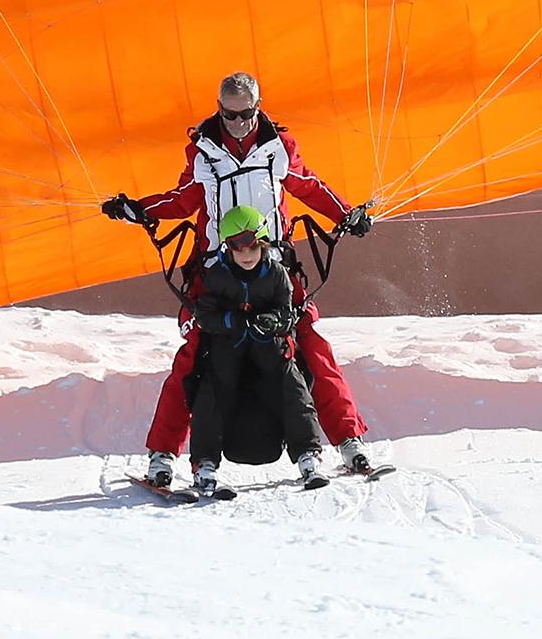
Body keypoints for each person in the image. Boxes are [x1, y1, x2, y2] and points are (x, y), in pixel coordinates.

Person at [101, 71, 377, 487]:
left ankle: (349, 442)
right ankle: (163, 456)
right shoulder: (202, 152)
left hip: (274, 269)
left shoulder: (279, 148)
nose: (236, 124)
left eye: (244, 115)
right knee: (194, 356)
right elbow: (185, 198)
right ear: (219, 110)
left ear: (257, 109)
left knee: (310, 345)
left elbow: (307, 185)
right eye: (228, 115)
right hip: (216, 271)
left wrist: (346, 214)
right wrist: (140, 209)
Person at [190, 205, 327, 494]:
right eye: (238, 249)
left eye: (253, 247)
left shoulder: (276, 275)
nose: (247, 255)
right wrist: (233, 320)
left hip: (268, 348)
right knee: (211, 388)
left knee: (293, 384)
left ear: (263, 244)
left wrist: (273, 321)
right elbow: (205, 314)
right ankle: (204, 465)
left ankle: (308, 456)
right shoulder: (217, 277)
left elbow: (287, 312)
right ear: (227, 249)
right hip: (230, 347)